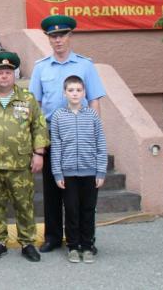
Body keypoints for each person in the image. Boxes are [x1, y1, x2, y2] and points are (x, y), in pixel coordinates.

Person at [29, 15, 106, 253]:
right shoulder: (41, 67)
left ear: (69, 36)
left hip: (79, 138)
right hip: (51, 135)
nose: (58, 40)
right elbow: (36, 107)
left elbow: (94, 101)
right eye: (53, 36)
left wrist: (94, 136)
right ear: (48, 39)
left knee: (80, 193)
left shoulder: (85, 66)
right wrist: (38, 147)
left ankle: (83, 238)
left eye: (62, 35)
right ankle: (53, 236)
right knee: (52, 191)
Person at [0, 52, 47, 263]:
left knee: (24, 204)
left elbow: (39, 127)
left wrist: (39, 153)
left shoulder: (28, 98)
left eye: (8, 72)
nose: (4, 76)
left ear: (14, 74)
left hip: (20, 163)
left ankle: (27, 242)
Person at [50, 75, 107, 264]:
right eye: (71, 90)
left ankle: (88, 245)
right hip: (68, 174)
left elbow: (101, 144)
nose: (75, 93)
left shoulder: (92, 116)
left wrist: (101, 171)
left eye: (78, 90)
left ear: (84, 93)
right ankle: (73, 246)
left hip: (90, 172)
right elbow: (56, 147)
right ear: (64, 93)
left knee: (88, 210)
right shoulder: (58, 116)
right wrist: (58, 173)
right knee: (72, 210)